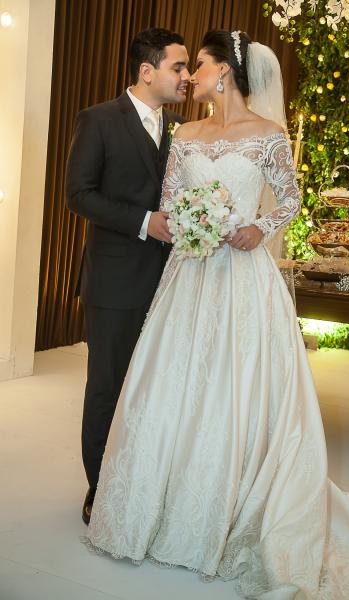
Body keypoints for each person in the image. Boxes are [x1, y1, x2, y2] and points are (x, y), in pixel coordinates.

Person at [84, 30, 349, 599]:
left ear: (224, 72)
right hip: (189, 276)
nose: (191, 78)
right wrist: (191, 225)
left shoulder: (269, 135)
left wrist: (260, 228)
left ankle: (232, 505)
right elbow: (172, 202)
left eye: (199, 67)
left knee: (236, 384)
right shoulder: (185, 135)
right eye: (185, 69)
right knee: (173, 384)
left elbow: (291, 198)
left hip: (243, 278)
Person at [65, 28, 190, 525]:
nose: (187, 76)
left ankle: (142, 483)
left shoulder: (183, 130)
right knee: (107, 386)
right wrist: (144, 222)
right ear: (146, 70)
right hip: (114, 283)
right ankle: (100, 488)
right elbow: (78, 194)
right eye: (178, 67)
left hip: (172, 283)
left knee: (156, 389)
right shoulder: (98, 120)